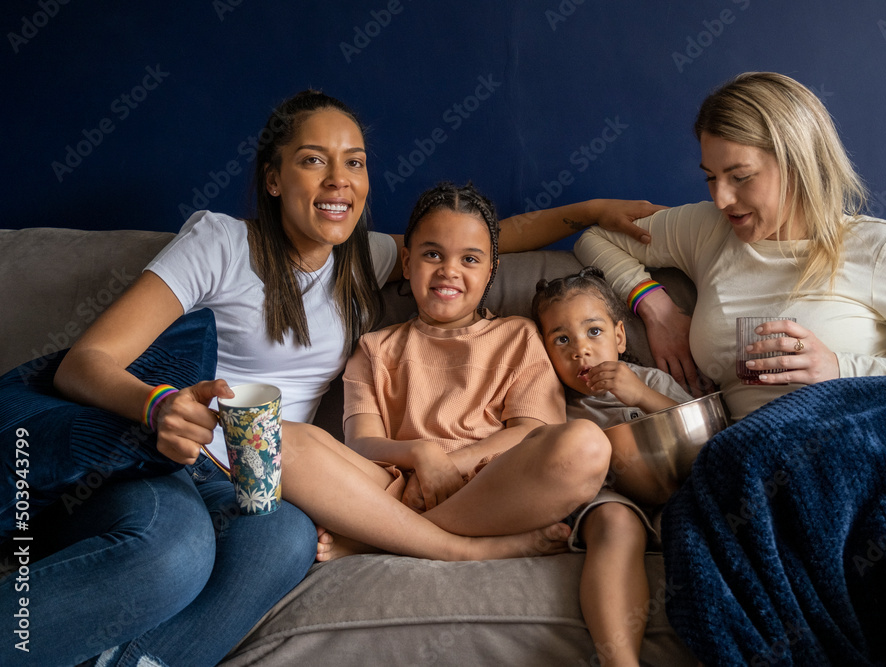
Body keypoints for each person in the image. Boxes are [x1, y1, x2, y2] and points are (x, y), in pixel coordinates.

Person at [0, 90, 663, 667]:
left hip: (261, 482)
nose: (338, 179)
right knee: (173, 552)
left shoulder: (365, 259)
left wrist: (592, 209)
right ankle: (458, 549)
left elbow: (485, 237)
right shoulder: (221, 243)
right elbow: (83, 363)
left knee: (285, 541)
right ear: (273, 178)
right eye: (314, 159)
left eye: (355, 162)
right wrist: (158, 405)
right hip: (171, 455)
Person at [575, 71, 886, 419]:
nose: (720, 199)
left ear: (797, 163)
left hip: (857, 441)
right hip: (749, 460)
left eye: (740, 177)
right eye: (710, 176)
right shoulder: (707, 229)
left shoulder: (877, 246)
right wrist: (657, 308)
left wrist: (839, 368)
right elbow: (596, 238)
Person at [284, 182, 612, 555]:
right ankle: (461, 547)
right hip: (391, 482)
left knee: (585, 445)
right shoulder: (373, 348)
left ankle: (376, 535)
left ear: (491, 270)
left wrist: (450, 465)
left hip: (489, 485)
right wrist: (421, 456)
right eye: (433, 255)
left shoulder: (519, 336)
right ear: (407, 263)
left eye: (469, 259)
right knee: (276, 438)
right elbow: (361, 443)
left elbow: (531, 432)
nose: (449, 271)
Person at [531, 267, 692, 667]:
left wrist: (639, 394)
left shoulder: (650, 379)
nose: (579, 350)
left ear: (620, 336)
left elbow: (695, 426)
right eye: (562, 340)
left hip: (672, 484)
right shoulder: (555, 403)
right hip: (606, 496)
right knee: (616, 524)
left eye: (594, 332)